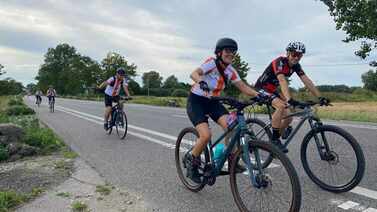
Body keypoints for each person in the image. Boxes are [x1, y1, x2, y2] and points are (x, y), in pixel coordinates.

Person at [185, 38, 267, 183]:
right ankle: (192, 162)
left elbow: (242, 86)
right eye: (227, 51)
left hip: (213, 102)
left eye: (233, 52)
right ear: (219, 52)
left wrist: (259, 95)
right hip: (196, 101)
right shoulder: (212, 62)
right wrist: (201, 82)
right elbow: (194, 73)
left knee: (233, 128)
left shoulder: (230, 71)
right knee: (205, 136)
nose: (231, 54)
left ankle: (231, 160)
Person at [254, 41, 330, 152]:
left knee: (289, 117)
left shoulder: (296, 66)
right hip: (261, 88)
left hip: (272, 90)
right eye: (294, 54)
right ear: (288, 53)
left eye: (299, 55)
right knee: (281, 106)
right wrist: (289, 99)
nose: (296, 57)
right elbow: (282, 80)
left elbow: (306, 81)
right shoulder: (279, 62)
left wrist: (320, 97)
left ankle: (274, 138)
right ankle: (274, 141)